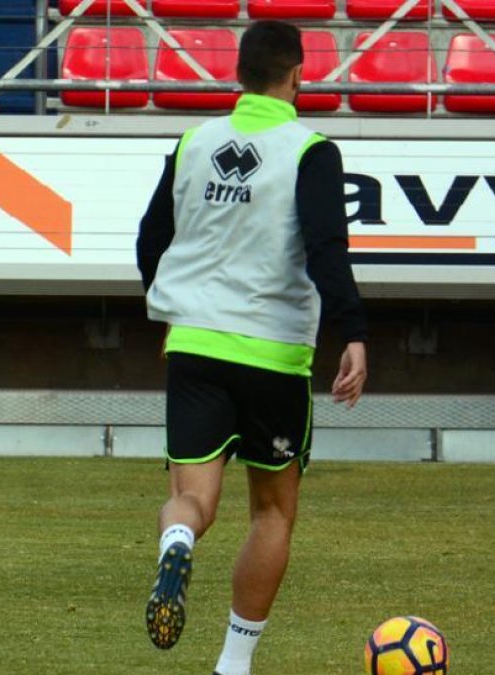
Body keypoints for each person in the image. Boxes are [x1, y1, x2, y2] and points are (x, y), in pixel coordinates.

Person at [136, 21, 369, 675]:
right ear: (297, 75)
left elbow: (150, 239)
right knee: (271, 512)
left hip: (195, 345)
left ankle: (177, 537)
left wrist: (172, 306)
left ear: (237, 73)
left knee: (194, 499)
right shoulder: (310, 150)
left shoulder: (193, 142)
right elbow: (327, 249)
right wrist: (353, 332)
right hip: (272, 355)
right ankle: (233, 662)